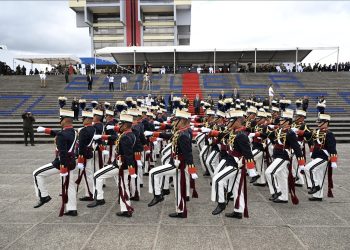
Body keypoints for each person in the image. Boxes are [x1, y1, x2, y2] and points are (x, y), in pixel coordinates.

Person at [147, 109, 198, 218]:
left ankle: (157, 195)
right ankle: (181, 211)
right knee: (179, 189)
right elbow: (170, 136)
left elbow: (188, 153)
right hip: (177, 164)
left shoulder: (184, 134)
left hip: (176, 165)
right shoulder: (183, 130)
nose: (174, 123)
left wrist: (192, 170)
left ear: (183, 121)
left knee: (153, 172)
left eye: (177, 120)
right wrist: (154, 133)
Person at [33, 109, 78, 216]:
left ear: (65, 120)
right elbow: (60, 134)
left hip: (62, 163)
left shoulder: (63, 134)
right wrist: (46, 130)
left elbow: (62, 152)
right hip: (71, 162)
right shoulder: (74, 131)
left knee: (37, 174)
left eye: (61, 119)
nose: (60, 121)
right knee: (70, 185)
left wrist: (63, 168)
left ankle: (43, 196)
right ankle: (72, 209)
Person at [304, 114, 337, 201]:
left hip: (323, 156)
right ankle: (318, 196)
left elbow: (332, 148)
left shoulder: (329, 134)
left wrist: (333, 161)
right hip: (316, 155)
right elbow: (311, 140)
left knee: (308, 168)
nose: (319, 123)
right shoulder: (317, 131)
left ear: (326, 123)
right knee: (319, 175)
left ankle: (316, 186)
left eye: (321, 122)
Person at [76, 110, 95, 201]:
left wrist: (80, 159)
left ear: (88, 119)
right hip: (89, 153)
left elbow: (81, 146)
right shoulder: (93, 128)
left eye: (83, 118)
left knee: (87, 175)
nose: (82, 120)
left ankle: (89, 194)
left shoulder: (84, 130)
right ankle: (91, 192)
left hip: (84, 155)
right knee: (89, 174)